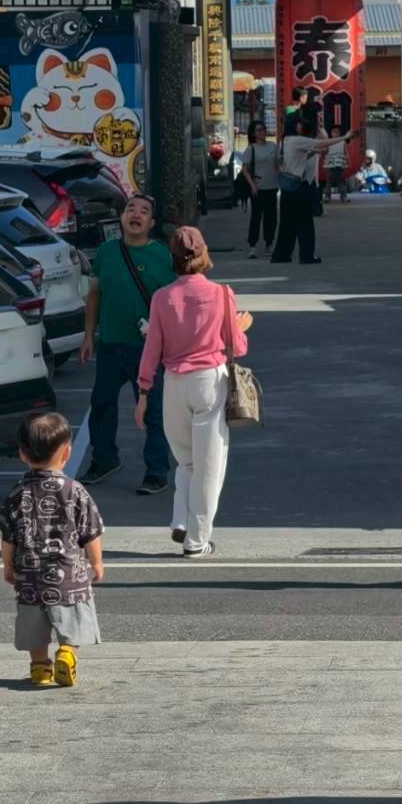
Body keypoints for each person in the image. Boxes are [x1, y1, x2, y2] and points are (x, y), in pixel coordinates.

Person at [134, 226, 252, 558]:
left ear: (172, 258)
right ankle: (196, 540)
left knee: (186, 462)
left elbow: (151, 350)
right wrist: (241, 327)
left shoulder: (161, 297)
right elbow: (236, 346)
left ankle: (180, 520)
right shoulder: (221, 294)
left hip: (173, 382)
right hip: (209, 381)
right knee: (209, 466)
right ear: (203, 253)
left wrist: (143, 393)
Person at [0, 412, 103, 688]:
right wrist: (97, 563)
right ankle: (67, 654)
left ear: (22, 454)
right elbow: (90, 532)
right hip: (70, 577)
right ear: (67, 452)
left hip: (29, 577)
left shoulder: (16, 493)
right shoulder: (75, 491)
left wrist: (8, 567)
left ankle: (40, 667)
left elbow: (7, 537)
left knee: (34, 626)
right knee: (74, 619)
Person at [80, 194, 175, 495]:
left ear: (152, 223)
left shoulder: (162, 256)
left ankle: (156, 470)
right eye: (130, 209)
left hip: (147, 349)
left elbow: (175, 302)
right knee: (101, 405)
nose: (136, 214)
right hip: (110, 343)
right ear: (121, 217)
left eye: (144, 211)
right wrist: (88, 335)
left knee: (153, 412)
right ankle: (104, 459)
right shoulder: (107, 252)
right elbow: (94, 295)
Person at [272, 106, 352, 265]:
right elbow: (322, 142)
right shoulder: (297, 140)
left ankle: (281, 255)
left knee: (287, 224)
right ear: (294, 125)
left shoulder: (286, 140)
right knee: (305, 224)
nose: (302, 125)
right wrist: (344, 137)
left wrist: (314, 152)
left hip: (289, 187)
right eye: (299, 123)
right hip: (300, 187)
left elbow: (300, 156)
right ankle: (307, 256)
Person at [240, 120, 279, 258]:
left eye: (263, 129)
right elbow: (244, 169)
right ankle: (252, 245)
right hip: (258, 188)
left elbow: (277, 164)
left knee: (271, 218)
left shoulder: (273, 146)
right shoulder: (251, 148)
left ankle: (269, 243)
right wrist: (252, 185)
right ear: (253, 133)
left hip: (272, 186)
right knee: (256, 218)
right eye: (259, 130)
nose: (262, 132)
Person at [323, 126, 350, 203]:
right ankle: (327, 197)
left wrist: (347, 161)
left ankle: (343, 197)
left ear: (339, 133)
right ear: (331, 133)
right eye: (333, 132)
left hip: (339, 163)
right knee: (329, 181)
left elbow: (346, 152)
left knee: (340, 181)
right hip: (330, 163)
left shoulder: (343, 142)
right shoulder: (328, 141)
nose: (335, 133)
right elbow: (326, 151)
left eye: (337, 132)